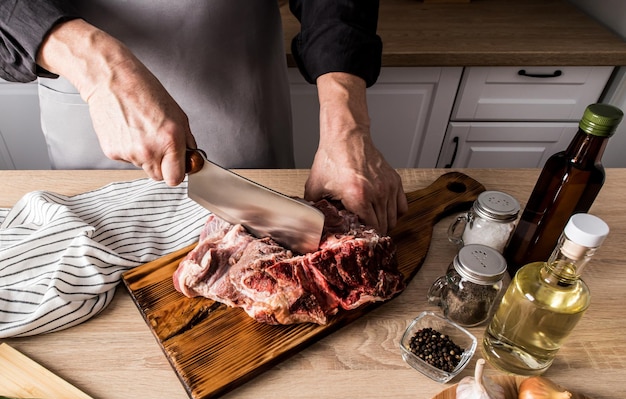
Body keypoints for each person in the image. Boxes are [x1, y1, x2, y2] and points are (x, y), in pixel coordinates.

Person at [0, 0, 407, 234]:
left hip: (244, 90)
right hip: (87, 99)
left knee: (265, 241)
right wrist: (101, 70)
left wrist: (347, 124)